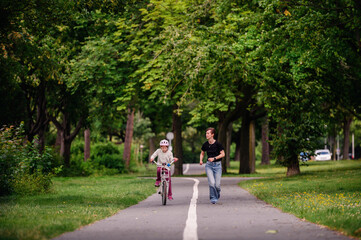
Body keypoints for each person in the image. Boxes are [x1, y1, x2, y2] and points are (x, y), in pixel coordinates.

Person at [200, 127, 225, 204]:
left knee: (217, 185)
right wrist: (201, 160)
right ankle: (213, 198)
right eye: (206, 133)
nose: (206, 135)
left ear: (212, 134)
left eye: (208, 133)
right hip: (209, 166)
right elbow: (202, 153)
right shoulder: (205, 144)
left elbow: (223, 154)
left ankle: (217, 193)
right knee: (212, 183)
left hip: (217, 166)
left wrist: (214, 158)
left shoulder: (218, 144)